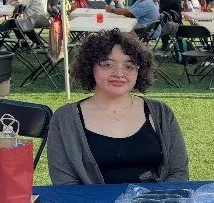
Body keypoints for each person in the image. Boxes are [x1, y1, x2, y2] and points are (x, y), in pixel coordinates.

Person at [47, 30, 189, 185]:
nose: (119, 73)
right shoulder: (65, 119)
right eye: (108, 64)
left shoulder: (161, 113)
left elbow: (178, 172)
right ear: (90, 67)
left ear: (139, 71)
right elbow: (65, 184)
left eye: (129, 66)